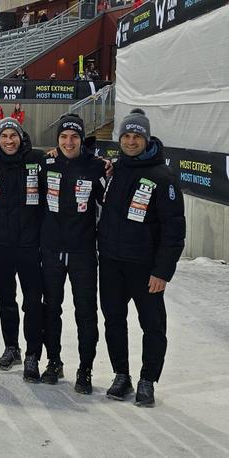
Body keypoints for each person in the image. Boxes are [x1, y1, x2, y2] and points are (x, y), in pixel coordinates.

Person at [98, 109, 185, 407]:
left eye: (137, 136)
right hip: (110, 262)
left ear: (146, 140)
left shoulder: (163, 177)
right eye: (126, 136)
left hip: (145, 268)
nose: (131, 141)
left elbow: (174, 231)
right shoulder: (115, 170)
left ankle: (148, 379)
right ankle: (121, 374)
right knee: (114, 321)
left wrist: (162, 271)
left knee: (152, 324)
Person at [39, 114, 107, 394]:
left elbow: (109, 202)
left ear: (81, 139)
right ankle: (54, 361)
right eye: (64, 137)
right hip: (52, 250)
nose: (68, 142)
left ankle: (86, 368)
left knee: (86, 313)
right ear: (57, 139)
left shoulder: (96, 167)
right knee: (51, 309)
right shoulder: (47, 163)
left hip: (82, 252)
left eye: (74, 137)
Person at [0, 118, 45, 382]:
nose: (9, 140)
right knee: (6, 300)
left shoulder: (39, 160)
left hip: (30, 244)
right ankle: (11, 347)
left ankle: (32, 354)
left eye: (13, 135)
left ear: (21, 137)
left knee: (32, 302)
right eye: (4, 136)